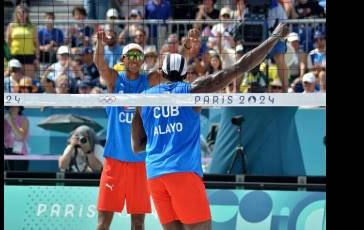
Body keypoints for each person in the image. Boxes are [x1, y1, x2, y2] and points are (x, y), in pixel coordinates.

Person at [131, 23, 288, 229]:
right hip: (183, 173)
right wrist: (275, 36)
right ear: (186, 74)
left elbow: (137, 147)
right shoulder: (193, 90)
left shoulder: (143, 101)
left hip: (154, 175)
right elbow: (240, 66)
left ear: (162, 72)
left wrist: (164, 135)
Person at [93, 30, 164, 229]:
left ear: (142, 61)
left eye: (138, 56)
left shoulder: (148, 82)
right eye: (130, 55)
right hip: (114, 161)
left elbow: (174, 71)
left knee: (138, 224)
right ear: (123, 59)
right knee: (103, 223)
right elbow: (99, 64)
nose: (134, 59)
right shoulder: (115, 80)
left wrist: (186, 49)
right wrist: (99, 42)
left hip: (140, 163)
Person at [6, 4, 40, 79]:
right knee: (14, 79)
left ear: (27, 14)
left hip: (28, 55)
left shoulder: (32, 26)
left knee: (28, 79)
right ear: (16, 14)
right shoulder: (12, 25)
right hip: (15, 55)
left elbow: (36, 43)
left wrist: (37, 57)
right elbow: (8, 42)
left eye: (23, 12)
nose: (21, 14)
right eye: (19, 12)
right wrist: (7, 56)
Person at [4, 106, 30, 171]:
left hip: (19, 152)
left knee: (18, 177)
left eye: (16, 106)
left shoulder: (24, 119)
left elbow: (20, 137)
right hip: (6, 152)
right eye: (11, 106)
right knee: (7, 177)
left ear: (19, 108)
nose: (13, 107)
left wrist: (11, 121)